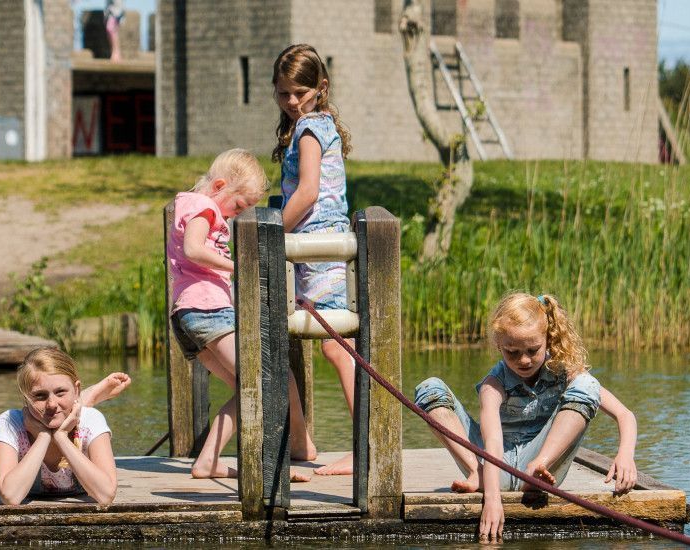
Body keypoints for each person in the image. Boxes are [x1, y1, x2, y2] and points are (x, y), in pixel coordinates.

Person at [413, 292, 640, 542]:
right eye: (512, 352)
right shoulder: (493, 385)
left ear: (548, 339)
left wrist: (625, 455)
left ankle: (535, 470)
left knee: (588, 385)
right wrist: (492, 498)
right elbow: (493, 443)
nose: (524, 360)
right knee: (429, 387)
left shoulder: (564, 372)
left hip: (542, 465)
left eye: (533, 350)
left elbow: (624, 414)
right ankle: (475, 473)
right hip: (490, 464)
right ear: (499, 345)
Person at [169, 149, 316, 480]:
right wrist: (239, 266)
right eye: (237, 206)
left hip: (189, 314)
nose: (237, 215)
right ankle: (280, 460)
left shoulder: (194, 206)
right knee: (266, 379)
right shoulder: (204, 208)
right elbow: (193, 249)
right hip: (207, 311)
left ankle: (208, 461)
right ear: (220, 185)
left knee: (249, 387)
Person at [270, 44, 359, 476]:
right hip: (317, 243)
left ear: (321, 88)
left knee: (337, 345)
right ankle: (304, 441)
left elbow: (307, 193)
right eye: (283, 93)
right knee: (333, 342)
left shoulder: (309, 129)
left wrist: (269, 234)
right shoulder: (315, 125)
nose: (291, 102)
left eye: (299, 92)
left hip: (319, 244)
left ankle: (366, 445)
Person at [0, 347, 127, 506]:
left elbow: (106, 495)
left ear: (76, 389)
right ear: (25, 398)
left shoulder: (91, 420)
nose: (51, 404)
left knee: (58, 415)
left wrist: (61, 437)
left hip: (67, 420)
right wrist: (43, 436)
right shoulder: (9, 422)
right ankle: (0, 441)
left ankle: (84, 400)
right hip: (9, 460)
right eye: (40, 396)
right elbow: (10, 497)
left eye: (60, 392)